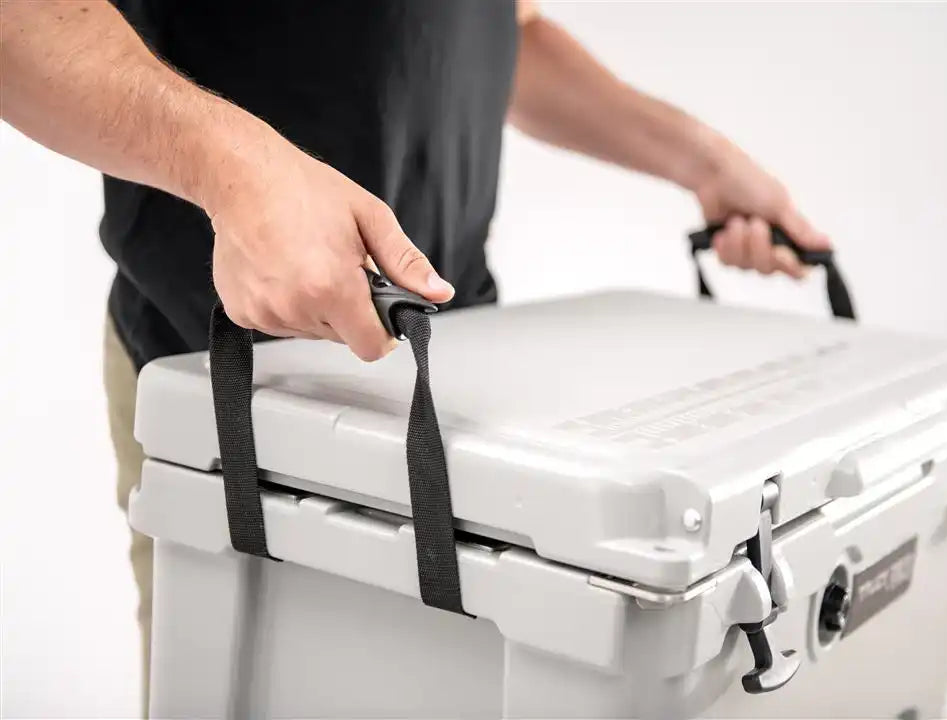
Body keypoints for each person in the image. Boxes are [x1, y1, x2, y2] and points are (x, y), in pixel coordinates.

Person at [1, 0, 832, 712]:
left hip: (463, 387)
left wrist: (705, 162)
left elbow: (506, 28)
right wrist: (232, 170)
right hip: (229, 389)